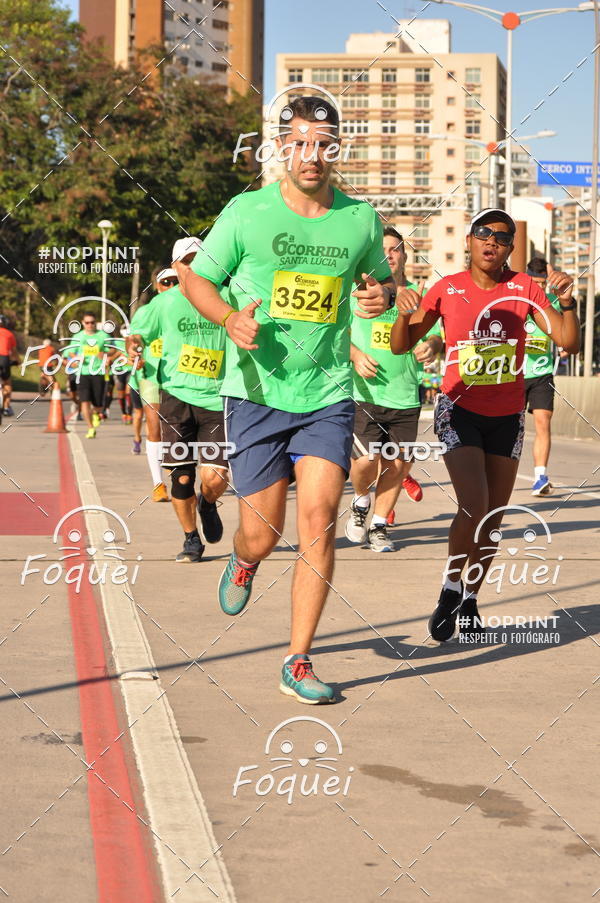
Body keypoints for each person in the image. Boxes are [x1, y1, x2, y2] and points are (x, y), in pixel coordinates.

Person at [180, 94, 409, 704]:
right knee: (263, 530)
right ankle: (246, 559)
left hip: (328, 392)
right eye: (301, 141)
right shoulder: (248, 212)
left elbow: (380, 281)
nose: (313, 154)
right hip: (256, 395)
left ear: (338, 149)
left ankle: (297, 660)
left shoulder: (359, 218)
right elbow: (195, 277)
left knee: (318, 524)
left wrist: (379, 297)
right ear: (281, 147)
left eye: (325, 142)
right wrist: (229, 318)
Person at [390, 208, 580, 642]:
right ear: (470, 241)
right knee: (473, 507)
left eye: (501, 236)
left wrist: (566, 303)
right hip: (458, 409)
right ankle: (450, 591)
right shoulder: (446, 288)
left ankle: (471, 598)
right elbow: (403, 345)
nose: (491, 241)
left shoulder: (525, 288)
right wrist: (403, 315)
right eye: (483, 234)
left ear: (511, 248)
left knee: (492, 519)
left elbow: (567, 340)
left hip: (507, 416)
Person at [128, 243, 228, 560]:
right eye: (188, 261)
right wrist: (133, 346)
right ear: (176, 265)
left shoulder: (228, 295)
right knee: (182, 477)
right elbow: (138, 334)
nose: (195, 267)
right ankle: (190, 539)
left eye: (202, 260)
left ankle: (208, 503)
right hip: (176, 398)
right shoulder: (165, 303)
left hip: (217, 399)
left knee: (216, 478)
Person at [346, 226, 443, 552]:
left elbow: (437, 334)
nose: (389, 254)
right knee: (364, 462)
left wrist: (432, 344)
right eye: (383, 249)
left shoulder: (418, 295)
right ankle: (360, 502)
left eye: (395, 249)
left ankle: (379, 525)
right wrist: (355, 354)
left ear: (403, 256)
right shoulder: (356, 293)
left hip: (405, 393)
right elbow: (334, 336)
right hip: (366, 393)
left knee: (398, 465)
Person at [128, 267, 177, 499]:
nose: (170, 286)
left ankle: (178, 468)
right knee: (154, 424)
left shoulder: (190, 309)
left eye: (175, 281)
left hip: (181, 377)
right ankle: (158, 484)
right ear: (157, 287)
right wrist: (134, 351)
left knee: (177, 430)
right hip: (150, 375)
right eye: (165, 282)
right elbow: (134, 338)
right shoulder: (146, 311)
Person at [523, 257, 563, 496]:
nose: (539, 288)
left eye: (542, 283)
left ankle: (540, 477)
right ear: (527, 278)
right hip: (515, 373)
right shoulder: (516, 301)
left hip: (542, 373)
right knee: (511, 428)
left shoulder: (553, 302)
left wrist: (563, 343)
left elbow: (562, 331)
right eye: (534, 282)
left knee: (543, 423)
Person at [61, 311, 115, 439]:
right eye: (87, 323)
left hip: (98, 372)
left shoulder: (103, 335)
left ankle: (97, 413)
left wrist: (105, 354)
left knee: (98, 404)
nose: (90, 325)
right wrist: (76, 357)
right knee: (84, 401)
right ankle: (90, 427)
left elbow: (114, 349)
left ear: (95, 323)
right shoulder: (78, 336)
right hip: (82, 373)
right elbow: (69, 352)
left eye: (92, 322)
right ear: (83, 323)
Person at [0, 314, 19, 417]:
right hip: (4, 359)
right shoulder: (9, 334)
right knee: (7, 383)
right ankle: (6, 408)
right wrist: (18, 362)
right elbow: (14, 351)